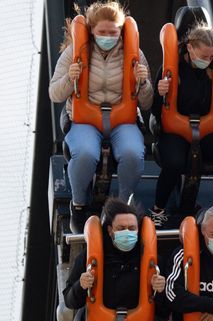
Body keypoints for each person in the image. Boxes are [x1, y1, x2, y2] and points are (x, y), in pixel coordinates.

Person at [49, 1, 153, 233]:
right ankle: (78, 205)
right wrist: (69, 77)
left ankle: (124, 206)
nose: (107, 37)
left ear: (121, 31)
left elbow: (147, 102)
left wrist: (142, 82)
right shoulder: (74, 52)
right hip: (85, 119)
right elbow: (54, 93)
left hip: (122, 119)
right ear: (92, 31)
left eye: (113, 32)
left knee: (132, 154)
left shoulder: (135, 53)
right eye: (102, 32)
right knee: (85, 153)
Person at [149, 23, 213, 227]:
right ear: (190, 48)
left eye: (211, 56)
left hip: (207, 130)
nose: (207, 60)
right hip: (176, 131)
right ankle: (158, 209)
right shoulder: (171, 67)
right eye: (203, 56)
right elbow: (156, 109)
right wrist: (160, 92)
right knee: (173, 162)